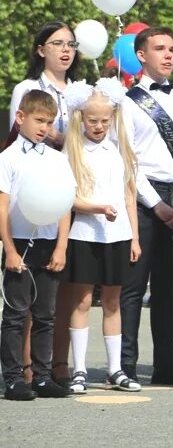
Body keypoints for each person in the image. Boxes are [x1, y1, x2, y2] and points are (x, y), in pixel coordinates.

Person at [119, 26, 173, 384]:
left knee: (168, 288)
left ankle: (165, 364)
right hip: (143, 198)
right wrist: (156, 205)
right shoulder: (126, 102)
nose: (168, 55)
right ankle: (123, 364)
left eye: (171, 49)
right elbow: (128, 162)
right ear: (141, 56)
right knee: (134, 286)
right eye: (160, 49)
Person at [62, 80, 142, 393]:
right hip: (83, 233)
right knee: (81, 301)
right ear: (81, 117)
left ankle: (115, 369)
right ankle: (79, 369)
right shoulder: (73, 150)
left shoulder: (118, 150)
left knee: (113, 301)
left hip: (118, 235)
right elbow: (68, 197)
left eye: (104, 120)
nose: (98, 126)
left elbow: (129, 196)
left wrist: (134, 237)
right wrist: (96, 208)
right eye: (92, 120)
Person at [0, 90, 74, 400]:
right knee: (16, 315)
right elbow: (2, 207)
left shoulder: (58, 159)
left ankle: (43, 377)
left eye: (49, 122)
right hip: (18, 241)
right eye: (39, 120)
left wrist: (62, 247)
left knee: (46, 315)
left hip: (48, 242)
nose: (44, 128)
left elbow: (64, 204)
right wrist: (11, 250)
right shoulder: (8, 158)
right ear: (21, 117)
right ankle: (14, 377)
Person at [8, 22, 80, 150]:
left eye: (71, 44)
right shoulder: (26, 89)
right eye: (57, 43)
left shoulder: (83, 91)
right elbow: (16, 140)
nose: (66, 49)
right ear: (41, 51)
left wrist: (59, 138)